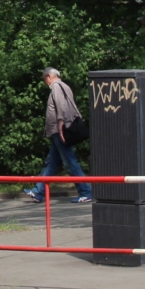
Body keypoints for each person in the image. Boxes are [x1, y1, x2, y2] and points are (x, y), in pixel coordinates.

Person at [26, 67, 93, 203]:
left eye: (45, 79)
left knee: (70, 162)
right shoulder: (65, 86)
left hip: (59, 130)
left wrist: (61, 125)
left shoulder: (56, 87)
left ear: (49, 76)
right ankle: (39, 192)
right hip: (60, 130)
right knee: (51, 162)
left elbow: (61, 107)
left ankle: (86, 191)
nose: (46, 82)